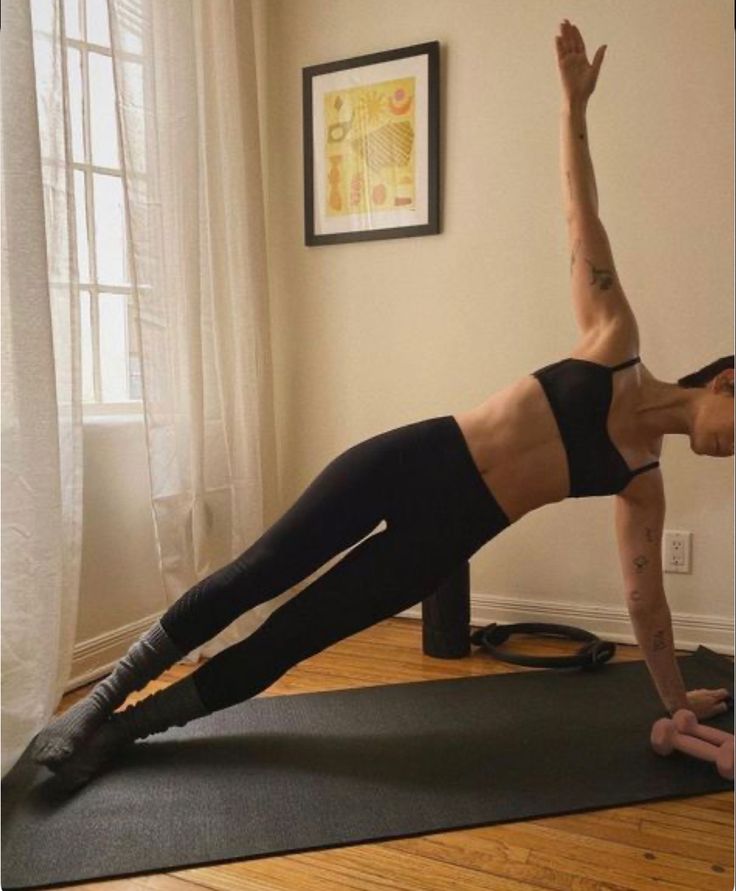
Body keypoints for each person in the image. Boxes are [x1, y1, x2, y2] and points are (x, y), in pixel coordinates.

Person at [32, 20, 734, 791]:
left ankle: (127, 733)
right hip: (411, 460)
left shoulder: (643, 478)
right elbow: (581, 214)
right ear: (726, 381)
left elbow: (647, 602)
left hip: (442, 538)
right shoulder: (614, 339)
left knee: (290, 640)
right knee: (253, 575)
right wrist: (573, 108)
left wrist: (678, 704)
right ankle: (94, 706)